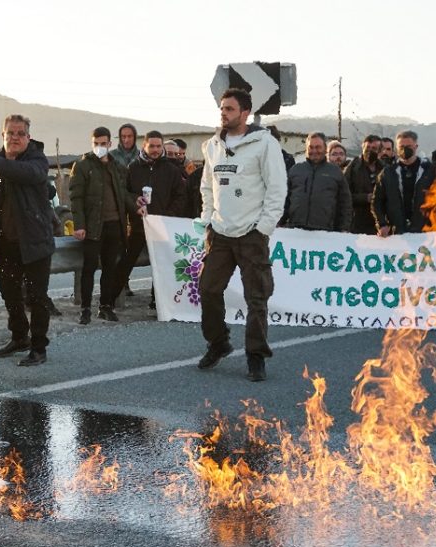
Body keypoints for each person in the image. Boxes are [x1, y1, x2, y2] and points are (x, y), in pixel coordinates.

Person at [196, 88, 287, 382]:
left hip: (251, 234)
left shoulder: (264, 144)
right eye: (222, 108)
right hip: (220, 232)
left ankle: (256, 356)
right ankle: (219, 342)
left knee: (256, 298)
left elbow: (277, 189)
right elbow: (207, 187)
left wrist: (264, 228)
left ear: (245, 113)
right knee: (208, 289)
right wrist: (208, 220)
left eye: (230, 109)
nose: (224, 113)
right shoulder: (211, 146)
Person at [0, 115, 53, 367]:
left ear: (28, 137)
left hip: (34, 240)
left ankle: (39, 347)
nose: (15, 137)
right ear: (2, 135)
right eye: (10, 133)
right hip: (4, 242)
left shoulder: (37, 160)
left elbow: (26, 174)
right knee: (9, 294)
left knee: (37, 297)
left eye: (20, 133)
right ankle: (19, 337)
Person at [111, 130, 185, 311]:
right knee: (125, 262)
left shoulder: (171, 170)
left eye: (158, 146)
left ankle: (156, 301)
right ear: (144, 146)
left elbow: (181, 196)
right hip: (138, 225)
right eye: (152, 146)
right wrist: (135, 203)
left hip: (162, 225)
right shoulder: (133, 168)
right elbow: (124, 193)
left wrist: (168, 214)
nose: (155, 150)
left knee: (161, 264)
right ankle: (108, 300)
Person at [69, 127, 134, 325]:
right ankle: (85, 308)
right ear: (92, 143)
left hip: (115, 224)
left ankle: (106, 306)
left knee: (110, 268)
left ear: (110, 144)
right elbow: (76, 198)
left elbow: (124, 195)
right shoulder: (82, 166)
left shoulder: (117, 167)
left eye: (103, 143)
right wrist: (79, 225)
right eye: (96, 143)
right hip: (93, 226)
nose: (100, 147)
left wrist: (136, 205)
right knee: (89, 268)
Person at [282, 132, 352, 232]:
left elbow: (345, 204)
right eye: (311, 147)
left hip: (325, 232)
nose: (314, 150)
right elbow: (285, 199)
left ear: (325, 148)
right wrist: (279, 221)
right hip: (296, 230)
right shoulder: (295, 170)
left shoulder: (335, 172)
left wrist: (344, 228)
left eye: (318, 147)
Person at [372, 130, 436, 236]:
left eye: (409, 146)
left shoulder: (430, 171)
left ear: (416, 146)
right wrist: (382, 224)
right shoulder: (388, 173)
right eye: (401, 147)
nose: (405, 149)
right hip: (397, 232)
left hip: (425, 231)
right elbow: (377, 202)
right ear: (396, 149)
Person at [110, 123, 140, 296]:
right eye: (123, 136)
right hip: (118, 204)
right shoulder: (112, 156)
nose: (127, 139)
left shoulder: (140, 156)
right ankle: (123, 283)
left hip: (136, 203)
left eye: (130, 136)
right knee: (120, 242)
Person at [343, 134, 384, 234]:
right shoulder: (352, 168)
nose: (369, 151)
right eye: (367, 148)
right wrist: (365, 198)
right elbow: (344, 195)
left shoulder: (384, 169)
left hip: (379, 223)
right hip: (357, 222)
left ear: (379, 151)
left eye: (374, 148)